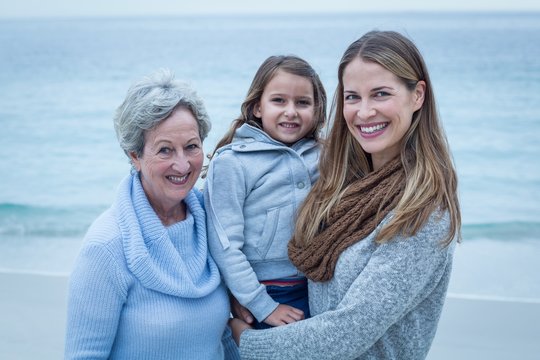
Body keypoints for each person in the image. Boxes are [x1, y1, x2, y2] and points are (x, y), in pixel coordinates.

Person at [229, 30, 461, 359]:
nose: (364, 112)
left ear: (418, 95)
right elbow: (255, 226)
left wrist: (245, 341)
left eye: (380, 94)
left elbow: (347, 331)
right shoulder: (340, 186)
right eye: (352, 97)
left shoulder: (423, 213)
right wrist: (246, 294)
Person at [64, 69, 239, 359]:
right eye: (165, 150)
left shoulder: (213, 222)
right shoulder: (105, 248)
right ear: (135, 156)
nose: (182, 165)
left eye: (191, 147)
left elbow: (220, 339)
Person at [203, 55, 327, 329]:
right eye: (279, 100)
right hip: (265, 293)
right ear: (258, 106)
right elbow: (225, 246)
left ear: (317, 109)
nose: (291, 111)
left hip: (318, 287)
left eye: (303, 102)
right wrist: (262, 305)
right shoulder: (233, 162)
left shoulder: (325, 155)